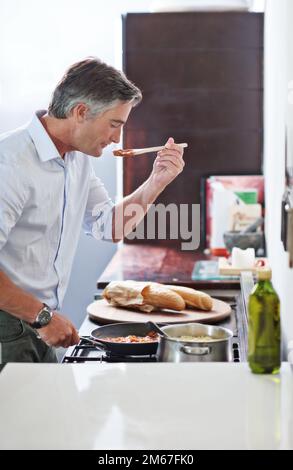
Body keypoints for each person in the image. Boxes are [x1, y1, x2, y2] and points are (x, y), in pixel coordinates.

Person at [0, 57, 185, 363]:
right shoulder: (10, 163)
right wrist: (43, 316)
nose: (117, 139)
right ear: (81, 112)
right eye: (115, 124)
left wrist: (156, 182)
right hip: (10, 323)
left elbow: (110, 226)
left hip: (37, 320)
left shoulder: (76, 158)